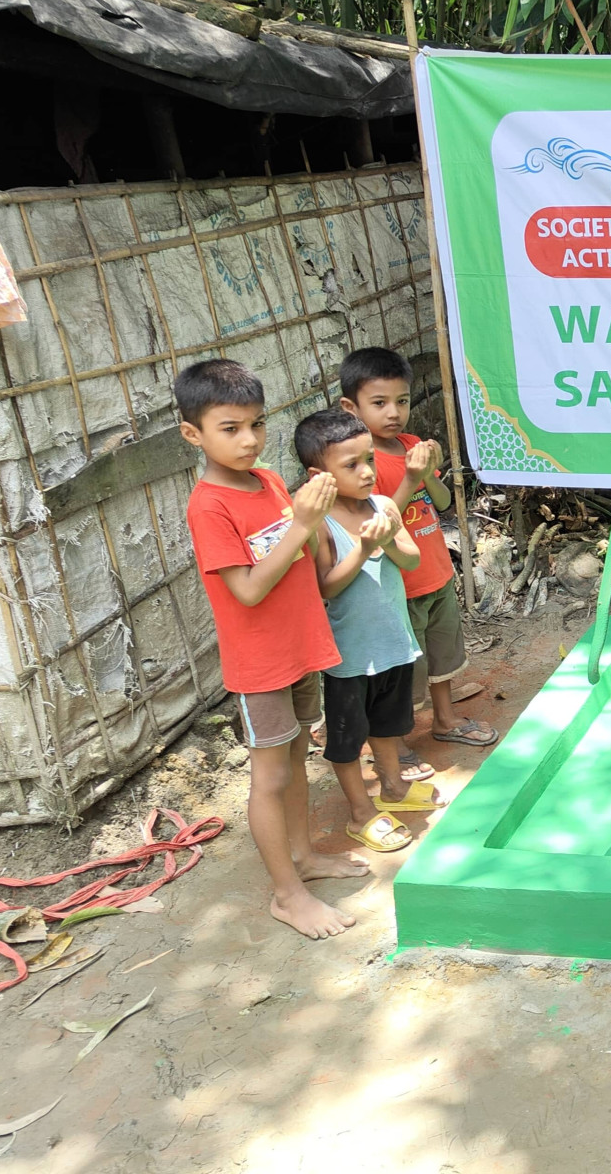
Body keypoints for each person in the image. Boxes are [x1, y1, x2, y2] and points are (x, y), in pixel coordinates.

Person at [177, 359, 359, 940]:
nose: (249, 439)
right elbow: (250, 590)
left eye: (256, 423)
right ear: (193, 434)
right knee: (270, 778)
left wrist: (314, 524)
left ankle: (302, 858)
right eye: (230, 428)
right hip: (260, 664)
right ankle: (287, 895)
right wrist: (302, 524)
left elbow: (302, 560)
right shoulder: (209, 506)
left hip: (300, 647)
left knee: (297, 758)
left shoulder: (271, 482)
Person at [295, 409, 446, 854]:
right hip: (350, 656)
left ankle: (393, 787)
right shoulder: (321, 525)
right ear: (319, 476)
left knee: (387, 723)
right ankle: (361, 812)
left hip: (394, 644)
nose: (366, 472)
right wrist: (363, 548)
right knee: (347, 739)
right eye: (351, 465)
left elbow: (412, 559)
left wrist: (387, 540)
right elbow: (326, 586)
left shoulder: (385, 506)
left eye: (369, 460)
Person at [339, 348, 496, 758]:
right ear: (350, 407)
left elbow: (441, 503)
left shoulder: (410, 445)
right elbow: (380, 518)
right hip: (398, 587)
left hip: (436, 573)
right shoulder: (361, 464)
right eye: (379, 403)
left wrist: (427, 474)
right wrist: (411, 478)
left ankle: (445, 719)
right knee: (405, 667)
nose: (394, 412)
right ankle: (392, 742)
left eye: (402, 401)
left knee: (443, 655)